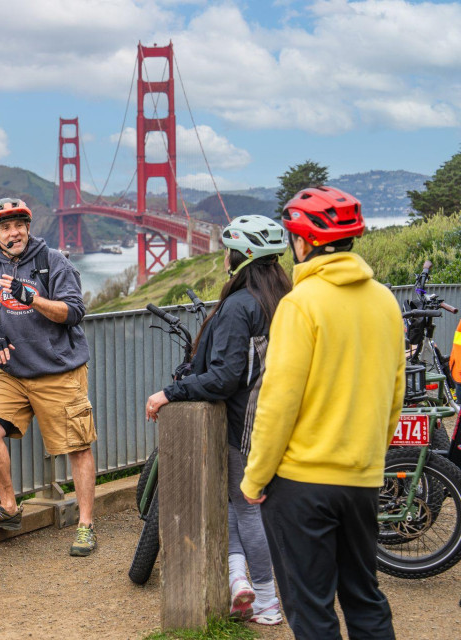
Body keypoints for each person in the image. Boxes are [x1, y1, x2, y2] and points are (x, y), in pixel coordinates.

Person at [241, 186, 405, 639]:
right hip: (362, 481)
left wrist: (255, 478)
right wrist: (369, 458)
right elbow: (394, 396)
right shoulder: (386, 302)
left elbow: (278, 402)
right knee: (364, 596)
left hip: (302, 484)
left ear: (303, 242)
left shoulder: (301, 304)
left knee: (311, 609)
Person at [145, 215, 291, 625]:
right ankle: (238, 578)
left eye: (228, 249)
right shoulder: (283, 298)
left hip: (244, 423)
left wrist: (171, 392)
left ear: (241, 256)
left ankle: (265, 600)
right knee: (235, 501)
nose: (224, 256)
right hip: (274, 419)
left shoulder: (239, 306)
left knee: (245, 508)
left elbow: (226, 377)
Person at [0, 197, 98, 556]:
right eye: (6, 227)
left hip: (59, 371)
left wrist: (32, 298)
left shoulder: (52, 261)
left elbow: (72, 312)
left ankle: (85, 526)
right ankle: (8, 507)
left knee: (78, 446)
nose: (14, 232)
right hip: (14, 372)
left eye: (19, 225)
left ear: (28, 227)